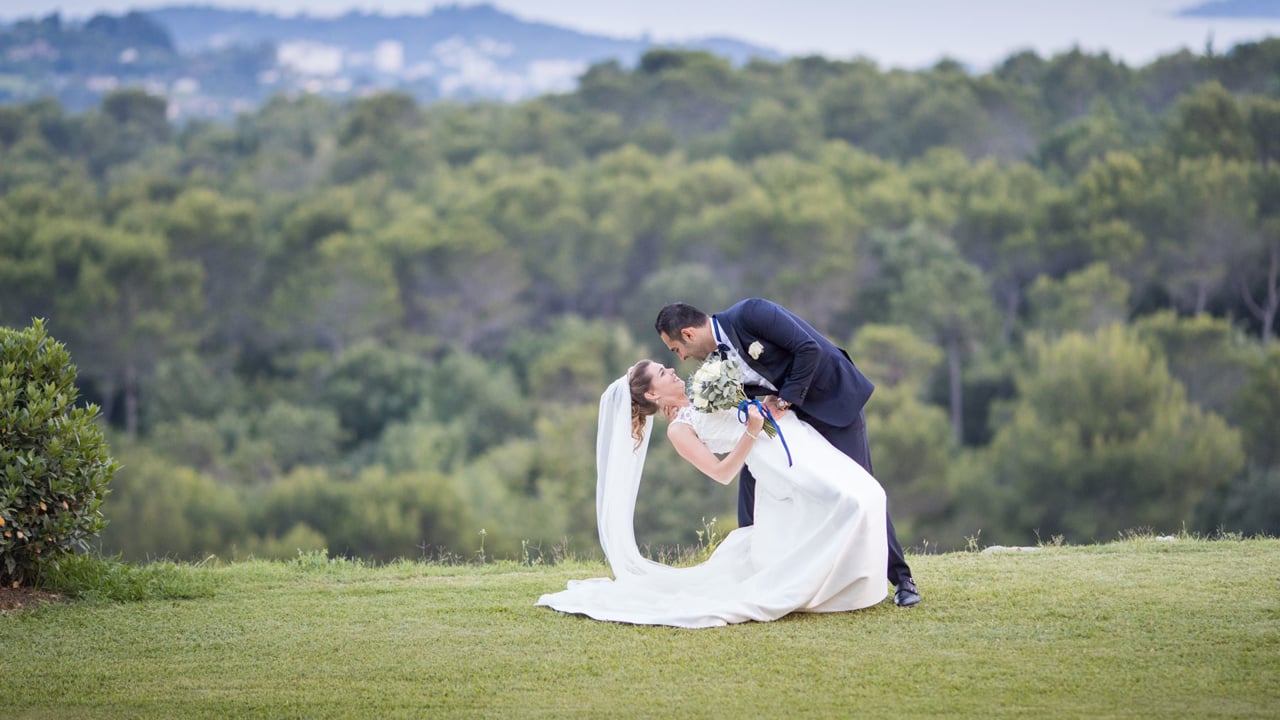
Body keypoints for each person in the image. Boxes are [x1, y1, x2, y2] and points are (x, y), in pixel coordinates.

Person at [536, 360, 889, 628]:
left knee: (869, 493)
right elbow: (722, 474)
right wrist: (751, 431)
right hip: (774, 462)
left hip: (796, 438)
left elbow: (754, 400)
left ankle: (858, 583)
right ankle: (844, 588)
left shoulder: (708, 382)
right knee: (850, 503)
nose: (671, 369)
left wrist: (768, 406)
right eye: (662, 372)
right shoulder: (680, 429)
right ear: (652, 395)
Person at [654, 299, 921, 607]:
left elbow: (810, 350)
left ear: (688, 334)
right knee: (752, 488)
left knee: (860, 487)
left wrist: (782, 403)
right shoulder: (712, 366)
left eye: (676, 349)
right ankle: (758, 573)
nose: (682, 357)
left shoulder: (750, 314)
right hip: (789, 427)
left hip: (830, 400)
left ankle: (903, 579)